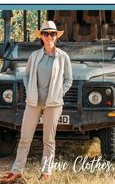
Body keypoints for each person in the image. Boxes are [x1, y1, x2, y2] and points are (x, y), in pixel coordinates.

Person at [0, 21, 73, 183]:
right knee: (25, 137)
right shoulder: (34, 56)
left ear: (56, 36)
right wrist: (29, 89)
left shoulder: (63, 57)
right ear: (41, 36)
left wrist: (59, 93)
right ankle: (16, 171)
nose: (49, 37)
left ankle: (46, 172)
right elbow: (26, 75)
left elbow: (69, 79)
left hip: (53, 103)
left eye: (52, 34)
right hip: (33, 102)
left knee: (49, 139)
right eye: (46, 34)